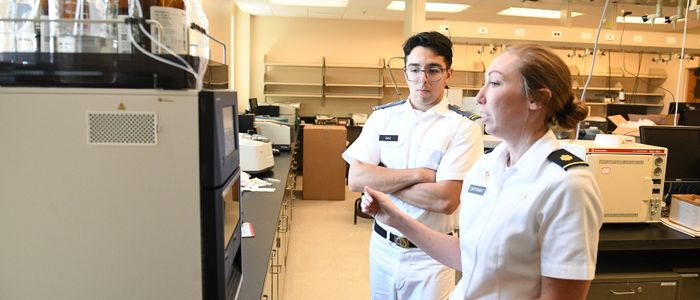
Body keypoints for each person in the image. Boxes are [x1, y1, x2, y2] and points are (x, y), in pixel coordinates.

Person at [361, 44, 604, 300]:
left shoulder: (566, 184)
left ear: (537, 99)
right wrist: (396, 218)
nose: (480, 96)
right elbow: (468, 255)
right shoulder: (485, 168)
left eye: (495, 83)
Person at [342, 31, 484, 300]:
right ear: (405, 71)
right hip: (383, 246)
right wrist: (420, 175)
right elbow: (356, 179)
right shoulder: (383, 118)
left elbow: (445, 200)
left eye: (433, 70)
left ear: (448, 73)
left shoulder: (463, 127)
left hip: (431, 255)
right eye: (415, 69)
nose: (423, 79)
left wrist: (382, 182)